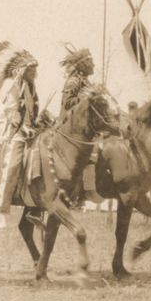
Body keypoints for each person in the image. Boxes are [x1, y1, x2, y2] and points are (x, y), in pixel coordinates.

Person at [0, 41, 39, 228]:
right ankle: (1, 208)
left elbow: (32, 112)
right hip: (13, 132)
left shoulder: (30, 87)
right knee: (14, 161)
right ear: (23, 70)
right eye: (31, 70)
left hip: (30, 130)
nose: (35, 73)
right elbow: (11, 110)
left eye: (35, 70)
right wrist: (23, 127)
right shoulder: (12, 84)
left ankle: (35, 205)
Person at [59, 46, 103, 204]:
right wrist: (86, 97)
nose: (94, 65)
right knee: (90, 151)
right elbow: (66, 103)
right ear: (83, 65)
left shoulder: (86, 82)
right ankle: (86, 190)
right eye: (90, 62)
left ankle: (89, 188)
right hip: (69, 126)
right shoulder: (73, 81)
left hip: (85, 126)